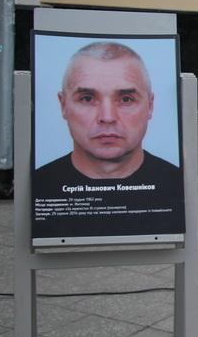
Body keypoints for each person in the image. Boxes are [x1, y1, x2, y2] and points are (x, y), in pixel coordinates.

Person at [33, 42, 185, 237]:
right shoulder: (40, 186)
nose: (107, 117)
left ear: (150, 106)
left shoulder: (175, 185)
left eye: (126, 99)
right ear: (63, 105)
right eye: (87, 98)